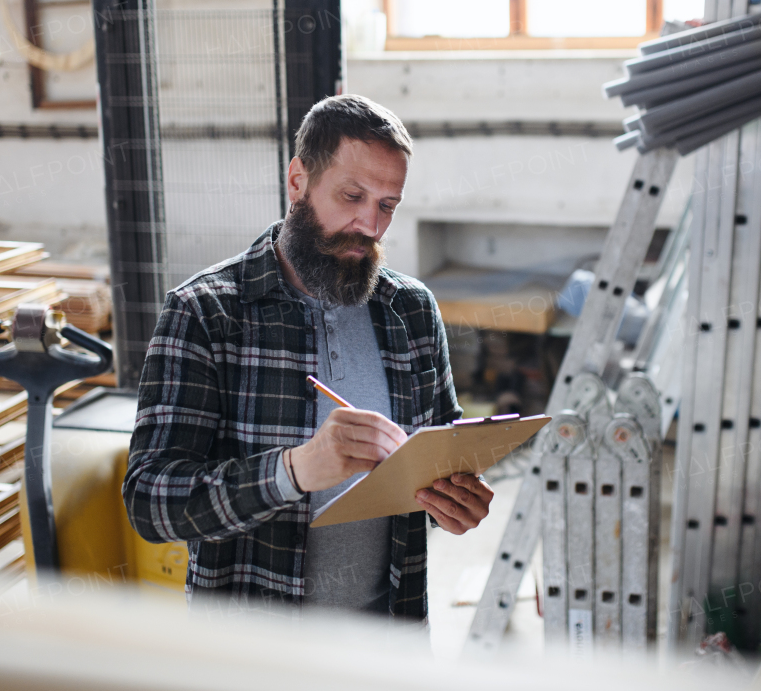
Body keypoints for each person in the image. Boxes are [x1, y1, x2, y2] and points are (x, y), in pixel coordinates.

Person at [123, 94, 493, 620]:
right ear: (298, 180)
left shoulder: (410, 310)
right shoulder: (205, 313)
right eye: (352, 195)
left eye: (387, 205)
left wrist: (454, 502)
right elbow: (151, 502)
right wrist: (295, 470)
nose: (370, 224)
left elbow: (437, 451)